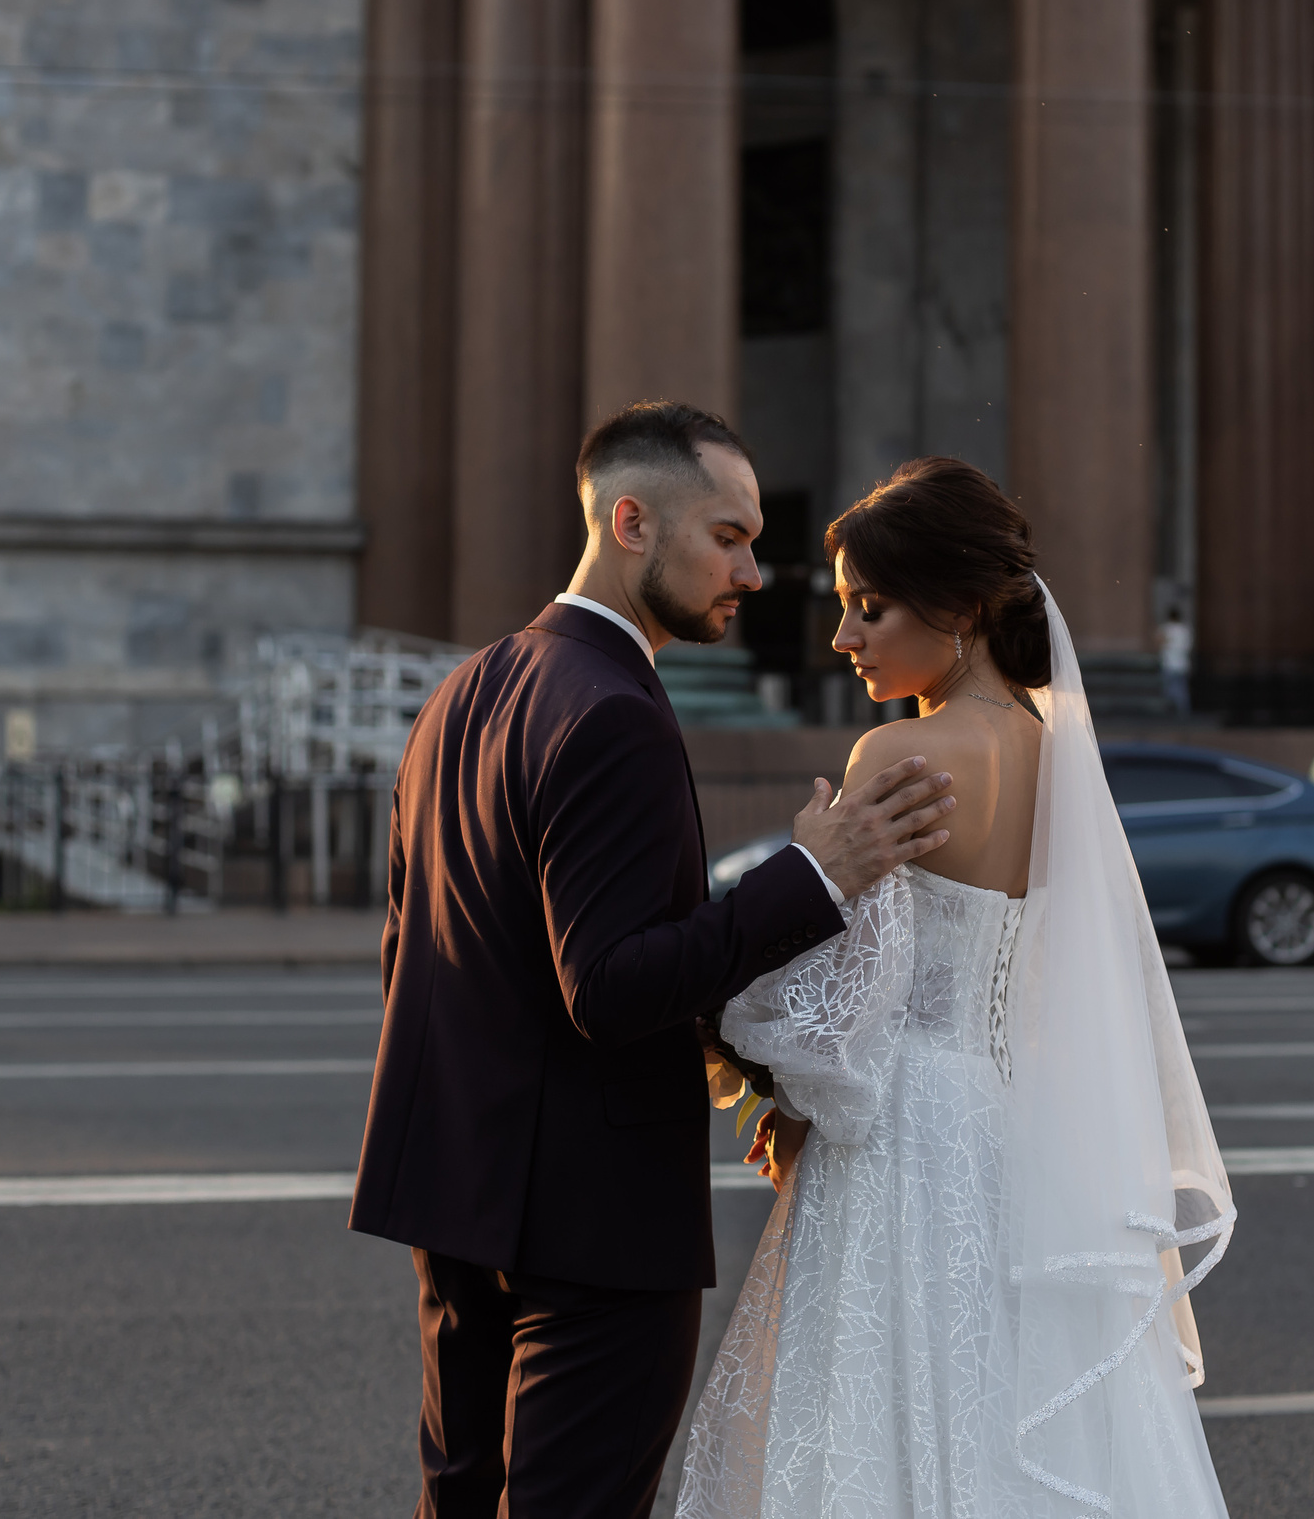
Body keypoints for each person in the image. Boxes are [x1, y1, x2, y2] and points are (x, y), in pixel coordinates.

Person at [349, 403, 958, 1519]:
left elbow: (412, 947)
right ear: (632, 521)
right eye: (728, 537)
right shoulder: (611, 710)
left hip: (454, 1192)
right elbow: (611, 984)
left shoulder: (462, 692)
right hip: (590, 1217)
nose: (754, 572)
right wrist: (810, 878)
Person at [681, 457, 1236, 1519]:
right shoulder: (1048, 754)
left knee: (882, 1423)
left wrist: (772, 938)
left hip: (897, 1139)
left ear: (965, 609)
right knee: (1004, 1419)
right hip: (1013, 1131)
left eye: (868, 608)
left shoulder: (898, 750)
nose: (843, 638)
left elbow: (835, 1022)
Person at [1159, 605, 1192, 717]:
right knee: (1182, 687)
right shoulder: (1185, 630)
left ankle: (1171, 708)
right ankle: (1183, 708)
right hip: (1182, 663)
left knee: (1169, 687)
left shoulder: (1167, 628)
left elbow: (1160, 641)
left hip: (1169, 663)